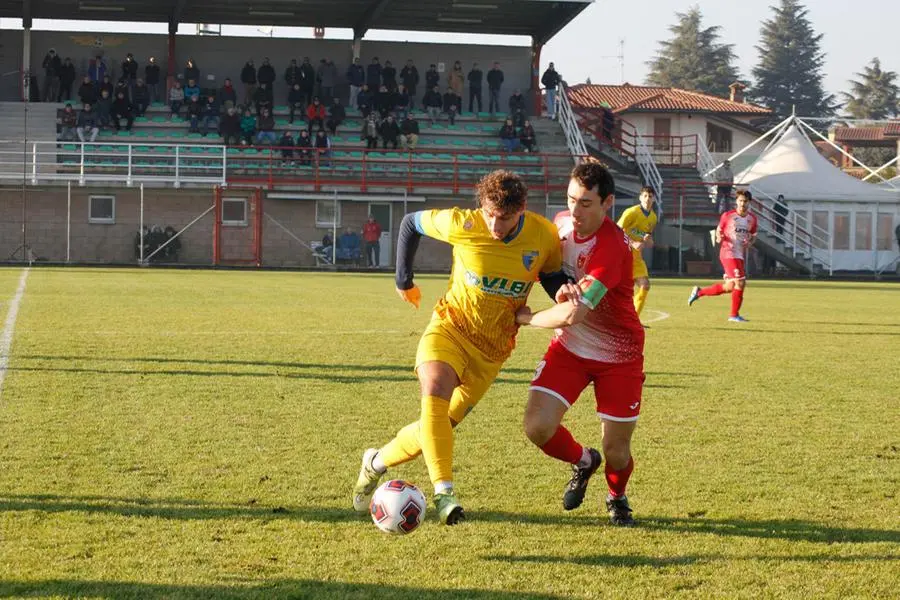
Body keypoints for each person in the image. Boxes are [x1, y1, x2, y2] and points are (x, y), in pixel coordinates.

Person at [351, 170, 563, 525]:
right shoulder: (462, 223)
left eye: (505, 218)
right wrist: (404, 279)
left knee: (433, 430)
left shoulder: (544, 235)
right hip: (450, 328)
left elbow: (552, 275)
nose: (495, 225)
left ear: (521, 209)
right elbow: (409, 223)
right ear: (481, 207)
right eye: (489, 214)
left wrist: (563, 293)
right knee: (433, 390)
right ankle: (444, 493)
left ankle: (374, 462)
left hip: (493, 351)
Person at [516, 161, 645, 527]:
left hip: (618, 355)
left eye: (586, 203)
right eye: (571, 199)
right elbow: (545, 264)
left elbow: (574, 315)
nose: (575, 210)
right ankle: (584, 461)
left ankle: (617, 498)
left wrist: (526, 318)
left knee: (617, 451)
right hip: (570, 348)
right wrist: (556, 287)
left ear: (607, 205)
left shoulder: (612, 247)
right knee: (537, 427)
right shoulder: (559, 224)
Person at [688, 190, 758, 322]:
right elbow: (718, 233)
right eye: (740, 200)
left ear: (749, 203)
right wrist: (719, 237)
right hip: (728, 252)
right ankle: (733, 315)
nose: (742, 203)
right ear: (736, 201)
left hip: (739, 255)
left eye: (745, 201)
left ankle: (699, 292)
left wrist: (749, 242)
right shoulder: (728, 216)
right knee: (740, 282)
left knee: (730, 287)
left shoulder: (752, 219)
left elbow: (753, 236)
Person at [617, 187, 658, 324]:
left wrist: (649, 241)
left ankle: (633, 320)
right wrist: (633, 242)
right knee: (617, 290)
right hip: (621, 253)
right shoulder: (631, 212)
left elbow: (647, 236)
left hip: (636, 256)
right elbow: (616, 230)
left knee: (644, 285)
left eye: (650, 196)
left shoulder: (653, 218)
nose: (647, 199)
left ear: (654, 199)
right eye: (645, 196)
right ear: (640, 197)